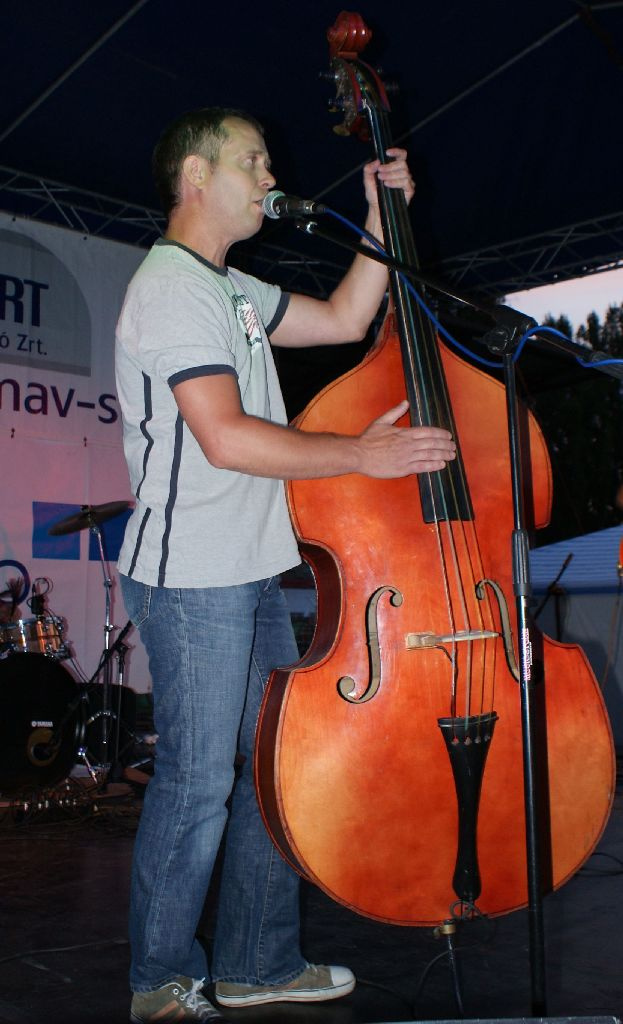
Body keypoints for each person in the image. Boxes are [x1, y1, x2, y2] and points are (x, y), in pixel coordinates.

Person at [115, 106, 456, 1024]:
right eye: (253, 159)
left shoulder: (232, 290)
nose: (271, 171)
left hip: (249, 570)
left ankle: (256, 964)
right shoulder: (172, 287)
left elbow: (350, 316)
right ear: (196, 176)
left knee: (270, 771)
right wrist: (360, 456)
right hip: (191, 577)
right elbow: (224, 438)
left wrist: (380, 216)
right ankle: (157, 980)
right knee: (197, 783)